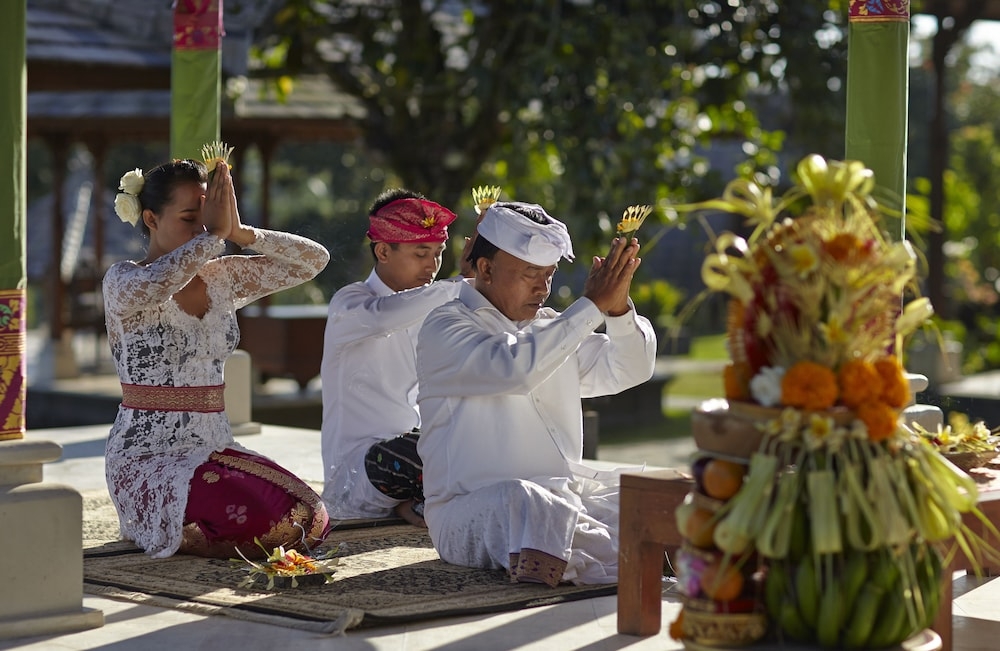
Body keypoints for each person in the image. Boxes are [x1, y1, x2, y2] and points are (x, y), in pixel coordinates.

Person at [415, 201, 657, 586]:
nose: (542, 288)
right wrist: (590, 306)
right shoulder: (444, 326)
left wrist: (617, 311)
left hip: (564, 499)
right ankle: (645, 559)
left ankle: (641, 554)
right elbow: (514, 370)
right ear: (486, 269)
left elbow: (631, 368)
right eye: (531, 274)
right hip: (469, 513)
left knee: (654, 495)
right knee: (528, 503)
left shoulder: (551, 328)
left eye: (549, 274)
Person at [103, 157, 331, 560]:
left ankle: (196, 531)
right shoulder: (124, 281)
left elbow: (314, 261)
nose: (203, 230)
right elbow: (160, 282)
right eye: (190, 218)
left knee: (309, 516)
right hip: (147, 459)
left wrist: (241, 232)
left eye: (208, 219)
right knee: (269, 524)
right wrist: (214, 237)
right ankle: (170, 524)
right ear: (151, 218)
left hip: (214, 450)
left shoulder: (222, 277)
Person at [320, 188, 477, 527]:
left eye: (438, 253)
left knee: (476, 436)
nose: (432, 265)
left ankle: (418, 504)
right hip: (359, 473)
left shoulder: (433, 306)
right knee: (418, 452)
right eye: (421, 253)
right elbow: (385, 317)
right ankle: (424, 504)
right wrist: (463, 282)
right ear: (383, 251)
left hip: (416, 449)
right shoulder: (351, 303)